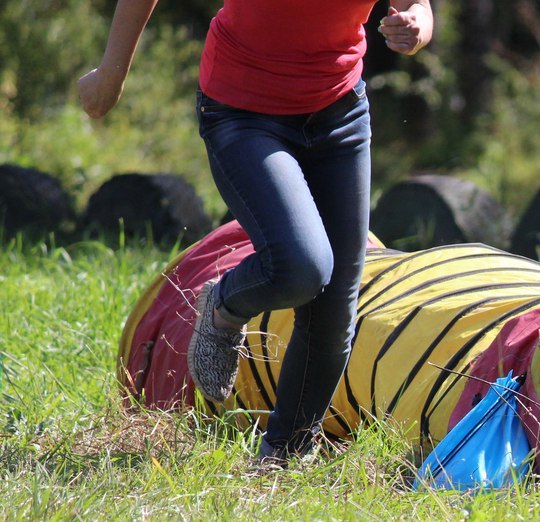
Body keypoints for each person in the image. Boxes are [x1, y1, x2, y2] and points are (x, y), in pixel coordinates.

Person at [79, 1, 434, 466]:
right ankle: (224, 304)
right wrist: (111, 71)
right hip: (243, 112)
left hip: (340, 113)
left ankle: (283, 458)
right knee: (302, 266)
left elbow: (418, 6)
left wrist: (415, 27)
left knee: (336, 304)